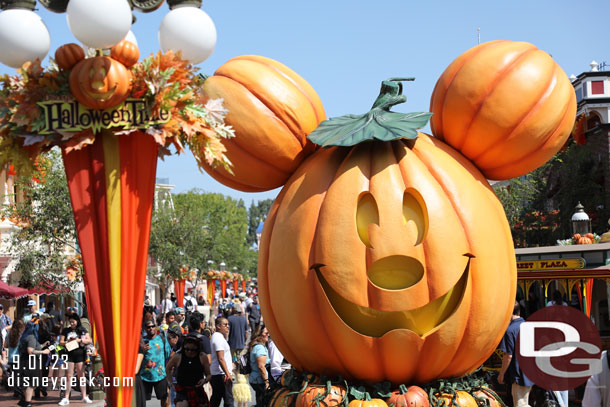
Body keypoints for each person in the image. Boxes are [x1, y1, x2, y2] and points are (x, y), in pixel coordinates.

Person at [498, 301, 534, 407]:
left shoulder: (510, 330)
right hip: (530, 373)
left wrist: (501, 374)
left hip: (519, 375)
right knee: (524, 403)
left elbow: (508, 356)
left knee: (520, 404)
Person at [166, 336, 212, 407]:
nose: (189, 352)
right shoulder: (178, 356)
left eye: (193, 350)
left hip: (197, 390)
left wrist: (205, 380)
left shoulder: (202, 356)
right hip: (182, 389)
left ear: (197, 348)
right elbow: (168, 368)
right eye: (187, 349)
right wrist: (171, 383)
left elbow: (209, 375)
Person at [58, 314, 93, 405]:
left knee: (81, 376)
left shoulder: (82, 330)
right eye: (70, 322)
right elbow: (61, 342)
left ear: (77, 321)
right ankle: (66, 397)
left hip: (80, 354)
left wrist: (79, 340)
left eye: (73, 321)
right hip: (69, 354)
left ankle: (84, 396)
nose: (72, 323)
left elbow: (89, 340)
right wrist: (67, 341)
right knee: (69, 376)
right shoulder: (66, 330)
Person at [16, 320, 51, 407]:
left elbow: (33, 347)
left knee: (30, 383)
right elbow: (30, 351)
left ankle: (25, 400)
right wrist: (44, 352)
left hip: (25, 361)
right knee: (31, 384)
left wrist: (43, 345)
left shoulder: (26, 336)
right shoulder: (31, 337)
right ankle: (27, 402)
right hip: (30, 362)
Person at [140, 320, 171, 407]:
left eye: (153, 326)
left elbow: (167, 353)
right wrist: (143, 351)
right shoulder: (142, 341)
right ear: (145, 328)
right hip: (145, 376)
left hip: (160, 375)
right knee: (142, 400)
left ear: (156, 327)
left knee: (164, 399)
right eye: (148, 327)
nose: (151, 328)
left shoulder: (162, 339)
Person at [210, 317, 233, 407]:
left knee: (216, 399)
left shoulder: (219, 337)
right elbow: (221, 358)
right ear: (218, 326)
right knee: (229, 401)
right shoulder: (218, 338)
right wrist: (228, 374)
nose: (227, 327)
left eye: (228, 324)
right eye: (225, 325)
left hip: (219, 373)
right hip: (221, 374)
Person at [248, 326, 270, 407]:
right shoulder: (259, 348)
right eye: (266, 333)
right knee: (262, 402)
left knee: (260, 401)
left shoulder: (258, 346)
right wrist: (266, 381)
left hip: (255, 379)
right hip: (259, 380)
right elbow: (261, 366)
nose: (268, 335)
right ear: (260, 335)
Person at [227, 304, 247, 370]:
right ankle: (242, 373)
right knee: (242, 360)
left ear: (233, 310)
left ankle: (231, 375)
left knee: (231, 360)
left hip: (232, 343)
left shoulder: (229, 319)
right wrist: (245, 341)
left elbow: (227, 331)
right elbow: (246, 332)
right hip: (241, 343)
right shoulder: (244, 319)